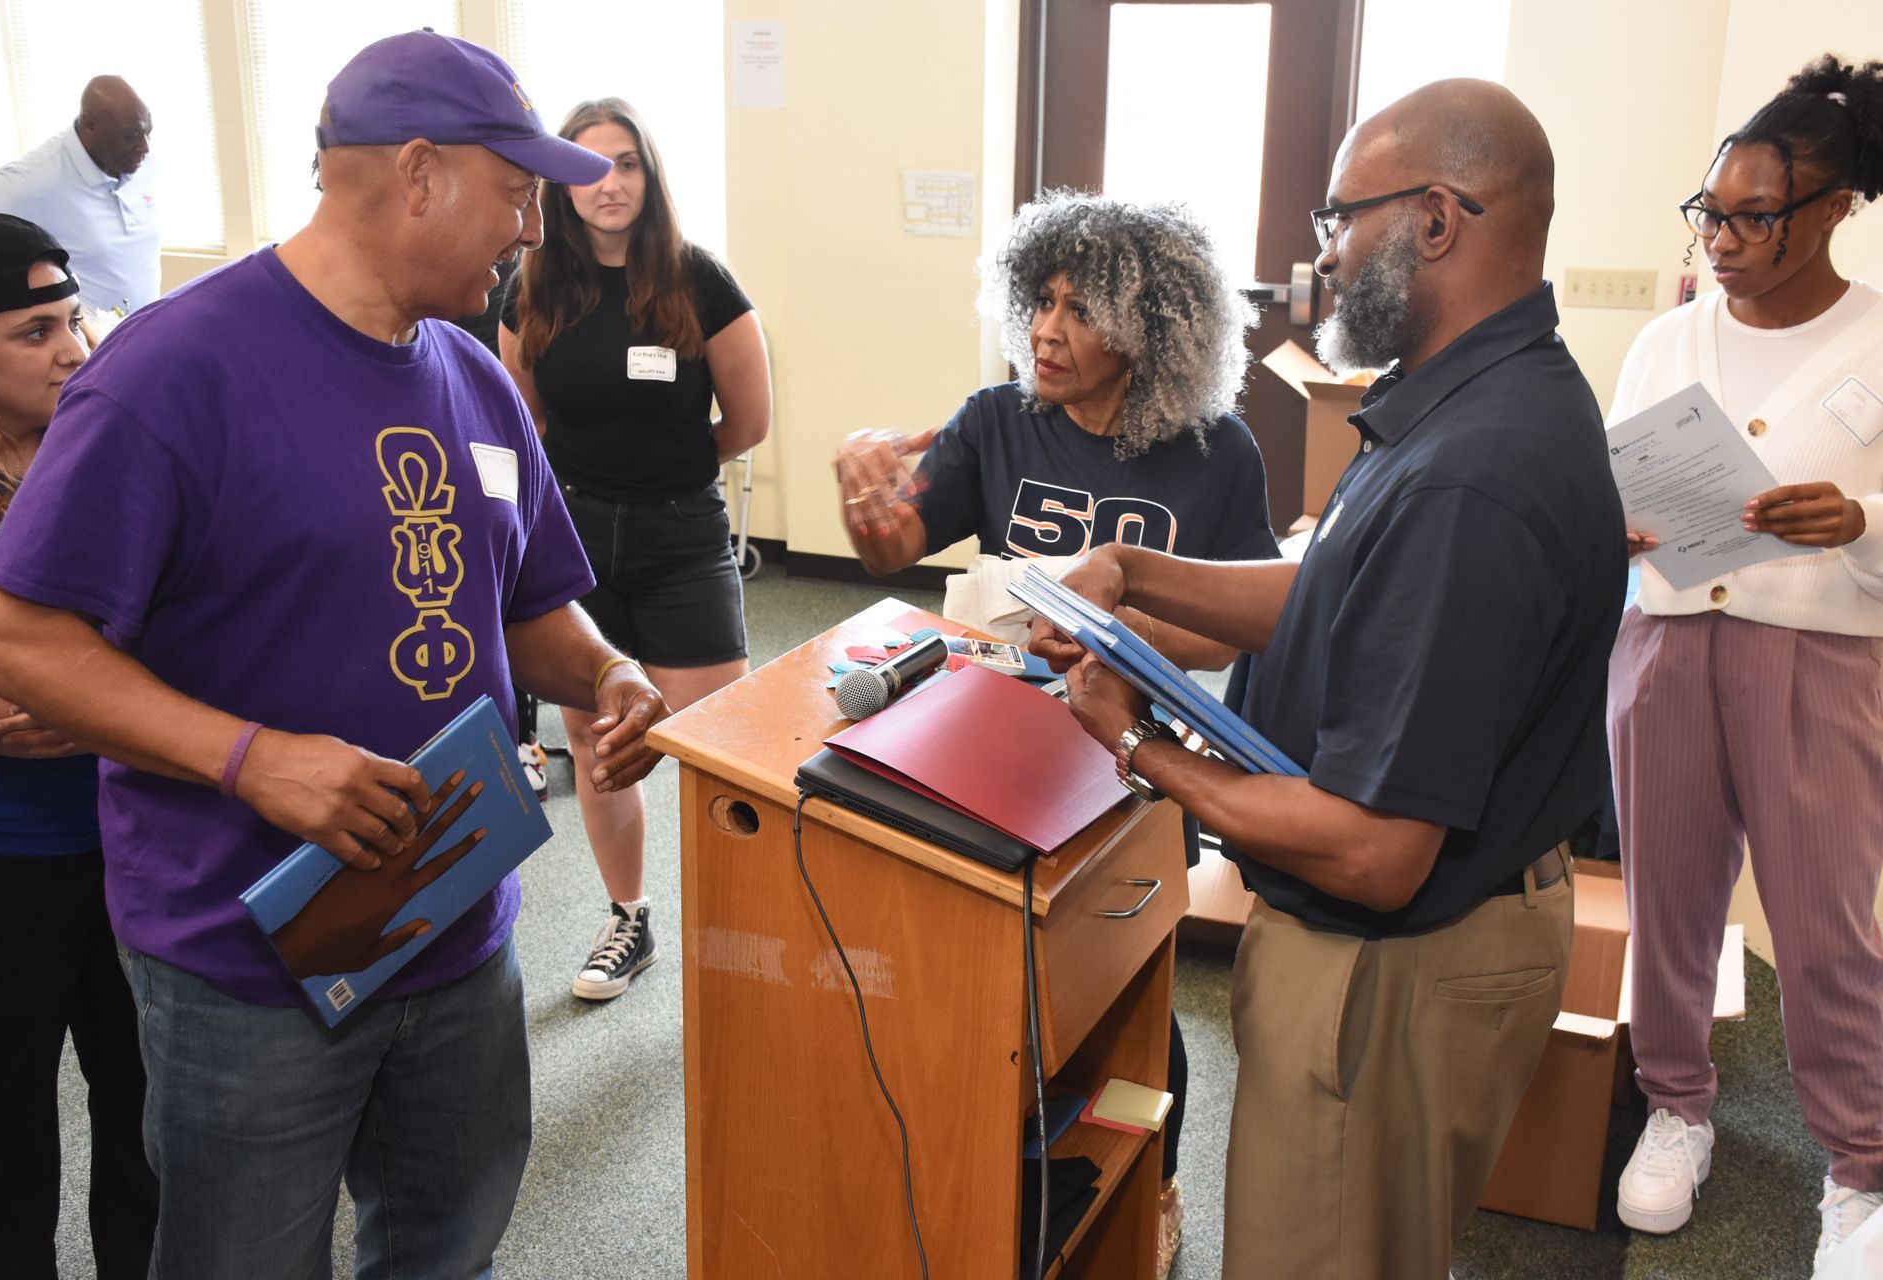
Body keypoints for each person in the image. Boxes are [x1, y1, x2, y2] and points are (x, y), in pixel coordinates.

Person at [0, 31, 669, 1279]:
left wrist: (607, 671)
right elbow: (14, 633)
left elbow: (534, 605)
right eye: (513, 195)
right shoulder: (172, 372)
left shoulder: (477, 376)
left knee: (448, 1241)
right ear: (415, 174)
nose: (525, 232)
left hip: (456, 914)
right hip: (244, 954)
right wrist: (252, 760)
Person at [1029, 80, 1625, 1278]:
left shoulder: (1473, 474)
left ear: (1438, 220)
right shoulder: (1463, 400)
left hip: (1394, 962)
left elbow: (1371, 846)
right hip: (1413, 941)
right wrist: (1136, 572)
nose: (1325, 254)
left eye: (1340, 219)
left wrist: (1137, 743)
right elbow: (1340, 595)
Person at [831, 190, 1279, 1278]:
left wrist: (1117, 631)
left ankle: (1154, 1174)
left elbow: (1235, 632)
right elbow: (894, 546)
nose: (1046, 328)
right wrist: (864, 486)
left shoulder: (1219, 455)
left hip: (1134, 767)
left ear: (1153, 327)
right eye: (1041, 300)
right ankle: (989, 1168)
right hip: (998, 755)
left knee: (1131, 991)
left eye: (1081, 311)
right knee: (991, 978)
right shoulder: (997, 418)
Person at [1606, 55, 1883, 1274]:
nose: (1721, 238)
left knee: (1825, 924)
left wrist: (1864, 518)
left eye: (1753, 217)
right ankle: (1677, 1101)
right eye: (1709, 212)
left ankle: (1861, 1167)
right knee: (1667, 893)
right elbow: (1614, 474)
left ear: (1833, 210)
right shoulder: (1668, 342)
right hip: (1664, 640)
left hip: (1819, 657)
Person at [499, 97, 770, 1003]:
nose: (607, 183)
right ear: (560, 181)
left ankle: (744, 934)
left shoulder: (700, 282)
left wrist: (665, 475)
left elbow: (748, 423)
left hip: (681, 533)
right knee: (598, 739)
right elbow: (520, 420)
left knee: (722, 744)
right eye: (587, 166)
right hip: (572, 536)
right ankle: (629, 917)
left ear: (649, 176)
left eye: (625, 164)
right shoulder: (531, 285)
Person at [0, 212, 156, 1279]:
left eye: (74, 320)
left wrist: (70, 699)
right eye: (34, 331)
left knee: (145, 1116)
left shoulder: (98, 450)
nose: (74, 351)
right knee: (0, 1133)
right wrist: (91, 696)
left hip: (131, 837)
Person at [0, 77, 157, 316]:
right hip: (88, 347)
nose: (144, 146)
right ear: (89, 126)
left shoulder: (141, 163)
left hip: (142, 332)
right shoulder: (34, 180)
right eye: (130, 136)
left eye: (148, 132)